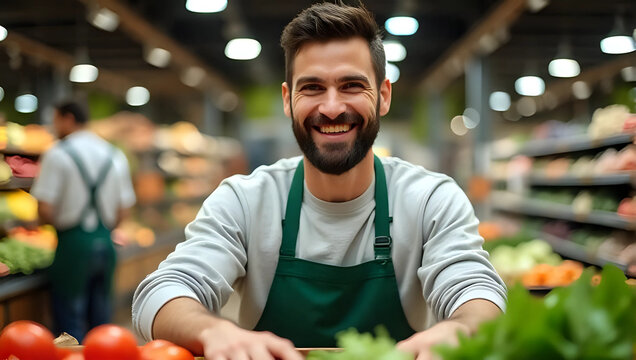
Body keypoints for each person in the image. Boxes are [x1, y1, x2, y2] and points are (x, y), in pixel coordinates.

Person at [132, 3, 506, 359]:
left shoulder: (429, 199)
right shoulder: (246, 200)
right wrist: (213, 330)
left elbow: (478, 291)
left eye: (351, 86)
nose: (331, 108)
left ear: (384, 96)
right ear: (287, 99)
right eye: (312, 87)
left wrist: (459, 328)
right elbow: (161, 293)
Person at [31, 100, 136, 342]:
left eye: (55, 119)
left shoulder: (58, 153)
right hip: (106, 244)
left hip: (71, 247)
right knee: (101, 326)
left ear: (68, 119)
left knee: (70, 328)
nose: (53, 126)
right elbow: (124, 211)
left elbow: (45, 208)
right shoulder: (114, 155)